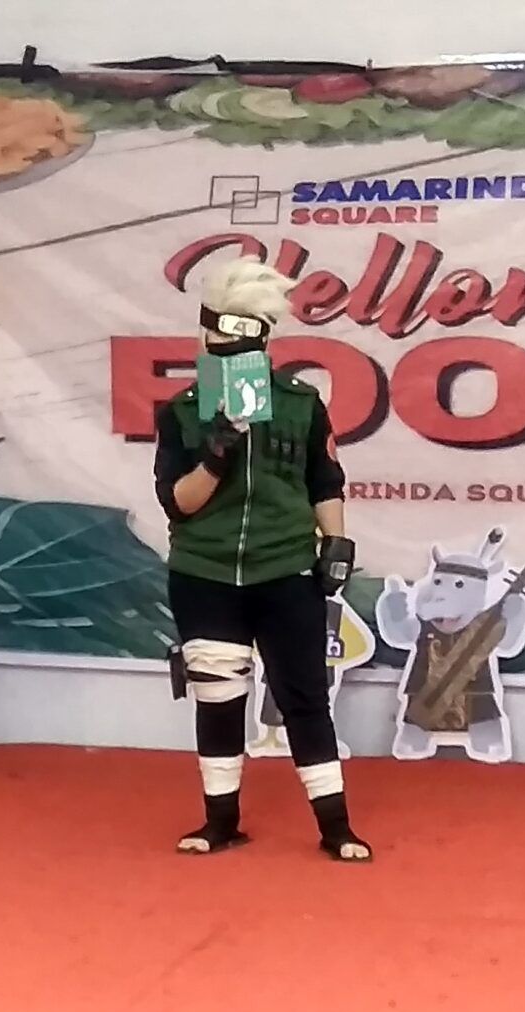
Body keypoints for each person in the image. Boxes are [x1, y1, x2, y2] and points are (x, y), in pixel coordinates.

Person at [153, 259, 370, 862]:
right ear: (203, 335)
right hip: (204, 571)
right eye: (218, 332)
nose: (226, 346)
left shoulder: (301, 404)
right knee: (218, 694)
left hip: (286, 567)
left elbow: (325, 480)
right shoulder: (181, 409)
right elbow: (178, 503)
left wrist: (337, 543)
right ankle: (220, 821)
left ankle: (336, 827)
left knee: (304, 696)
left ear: (265, 338)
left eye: (243, 334)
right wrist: (218, 451)